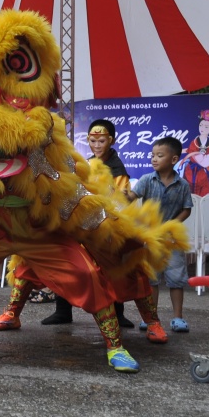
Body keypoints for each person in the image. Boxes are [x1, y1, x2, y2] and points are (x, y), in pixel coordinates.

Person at [41, 119, 134, 327]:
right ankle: (62, 310)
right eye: (93, 141)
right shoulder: (85, 164)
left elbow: (120, 200)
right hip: (82, 222)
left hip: (107, 225)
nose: (97, 145)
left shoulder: (118, 169)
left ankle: (118, 314)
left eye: (101, 141)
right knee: (66, 262)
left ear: (111, 140)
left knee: (112, 268)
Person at [126, 136, 194, 333]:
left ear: (173, 160)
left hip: (172, 240)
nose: (154, 159)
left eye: (159, 155)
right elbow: (132, 196)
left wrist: (173, 224)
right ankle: (151, 318)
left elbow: (186, 209)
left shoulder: (182, 185)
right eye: (152, 155)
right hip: (150, 239)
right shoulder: (147, 180)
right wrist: (125, 195)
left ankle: (178, 318)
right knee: (152, 280)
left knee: (176, 279)